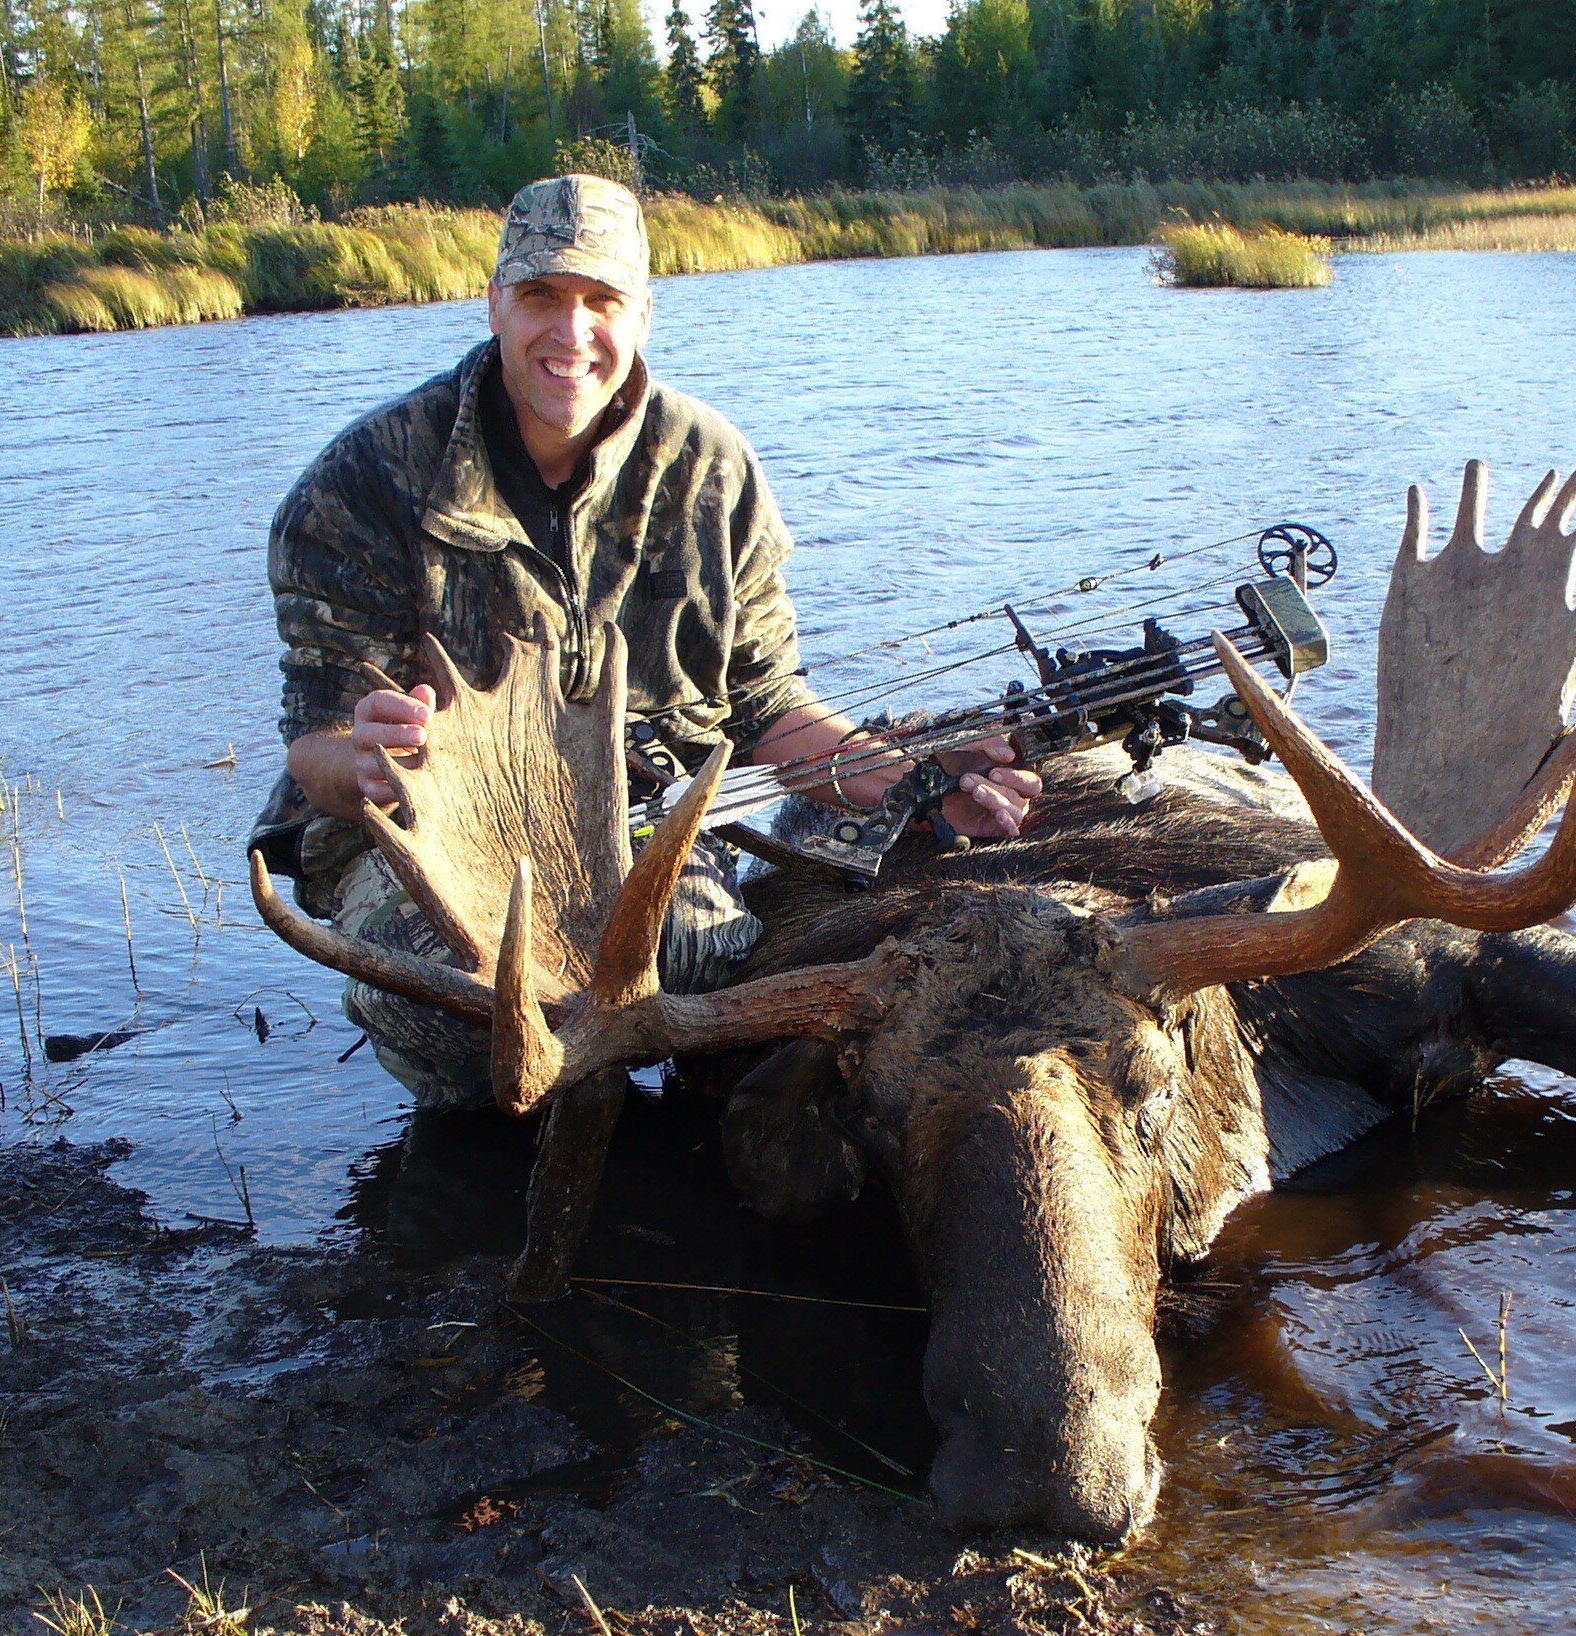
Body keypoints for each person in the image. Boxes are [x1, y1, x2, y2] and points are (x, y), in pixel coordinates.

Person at [250, 173, 1039, 1106]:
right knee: (465, 1010)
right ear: (494, 301)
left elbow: (769, 708)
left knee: (709, 958)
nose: (570, 332)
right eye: (541, 296)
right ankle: (473, 1127)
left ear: (645, 314)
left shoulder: (712, 469)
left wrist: (923, 782)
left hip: (635, 816)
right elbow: (316, 750)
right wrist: (370, 761)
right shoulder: (362, 484)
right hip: (436, 835)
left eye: (602, 301)